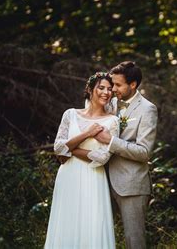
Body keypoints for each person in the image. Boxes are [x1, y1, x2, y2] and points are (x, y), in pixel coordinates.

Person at [73, 61, 158, 249]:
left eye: (118, 85)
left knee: (133, 240)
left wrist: (109, 141)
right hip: (100, 180)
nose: (113, 89)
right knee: (97, 235)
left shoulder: (147, 109)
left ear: (133, 84)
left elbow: (144, 152)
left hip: (131, 185)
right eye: (112, 85)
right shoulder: (110, 103)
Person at [45, 72, 118, 249]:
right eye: (101, 88)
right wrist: (87, 134)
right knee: (67, 223)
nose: (106, 92)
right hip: (68, 176)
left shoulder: (112, 121)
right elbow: (57, 147)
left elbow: (102, 157)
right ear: (90, 89)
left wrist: (70, 149)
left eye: (110, 89)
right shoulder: (70, 115)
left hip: (93, 178)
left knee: (91, 224)